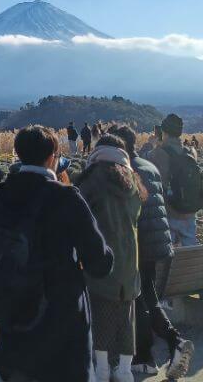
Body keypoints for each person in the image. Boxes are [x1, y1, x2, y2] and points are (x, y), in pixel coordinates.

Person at [0, 126, 113, 382]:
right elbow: (99, 262)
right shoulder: (66, 197)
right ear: (52, 156)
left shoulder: (3, 193)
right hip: (60, 315)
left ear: (18, 154)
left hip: (16, 312)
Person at [109, 126, 194, 379]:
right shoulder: (149, 166)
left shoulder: (123, 170)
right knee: (148, 295)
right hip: (156, 241)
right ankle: (174, 342)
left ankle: (145, 356)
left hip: (136, 243)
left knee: (139, 299)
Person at [77, 135, 145, 382]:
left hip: (102, 256)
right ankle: (125, 369)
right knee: (126, 315)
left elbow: (79, 211)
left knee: (101, 313)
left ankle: (103, 369)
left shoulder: (93, 178)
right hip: (130, 258)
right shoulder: (132, 179)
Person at [149, 114, 201, 247]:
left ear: (164, 131)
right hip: (189, 212)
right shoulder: (190, 153)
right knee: (190, 252)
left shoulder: (158, 154)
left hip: (169, 212)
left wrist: (153, 145)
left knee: (166, 255)